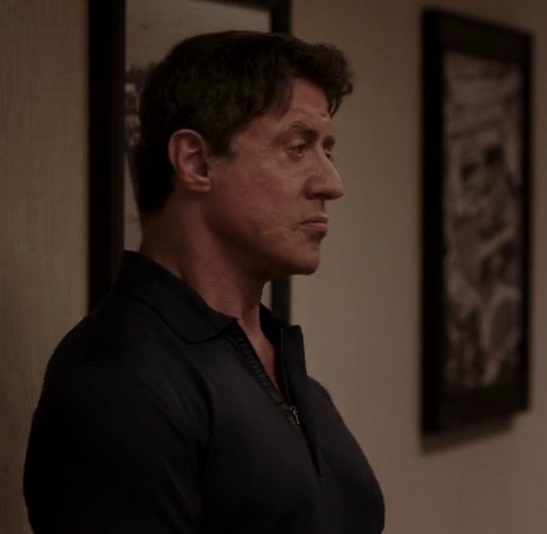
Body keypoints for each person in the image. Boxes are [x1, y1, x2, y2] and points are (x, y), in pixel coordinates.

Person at [23, 31, 384, 533]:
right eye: (298, 147)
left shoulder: (278, 360)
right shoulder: (117, 383)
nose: (331, 183)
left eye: (327, 150)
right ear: (194, 161)